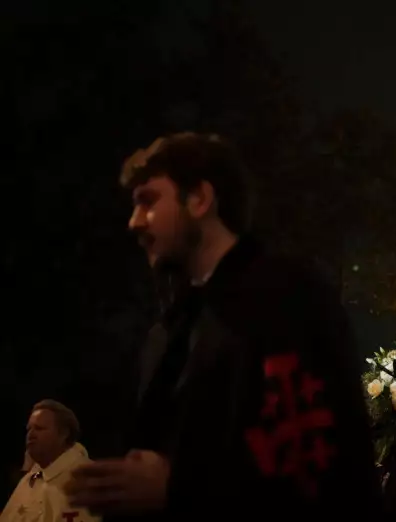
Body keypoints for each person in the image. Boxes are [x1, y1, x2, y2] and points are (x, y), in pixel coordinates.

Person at [63, 133, 379, 520]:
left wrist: (179, 488)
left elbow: (320, 465)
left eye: (149, 201)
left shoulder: (286, 299)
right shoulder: (169, 332)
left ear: (199, 199)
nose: (134, 222)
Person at [1, 400, 99, 522]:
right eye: (29, 429)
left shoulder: (88, 478)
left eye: (39, 428)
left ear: (64, 433)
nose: (30, 435)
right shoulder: (29, 480)